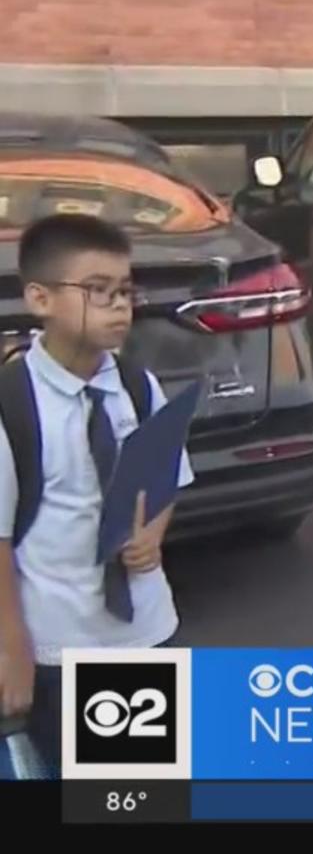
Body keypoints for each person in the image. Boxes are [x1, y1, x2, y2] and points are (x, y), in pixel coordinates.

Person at [0, 214, 193, 776]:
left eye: (125, 291)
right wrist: (12, 650)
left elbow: (167, 480)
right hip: (60, 643)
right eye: (97, 291)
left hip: (144, 631)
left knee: (137, 788)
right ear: (40, 298)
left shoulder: (137, 385)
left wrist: (153, 534)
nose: (119, 306)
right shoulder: (14, 404)